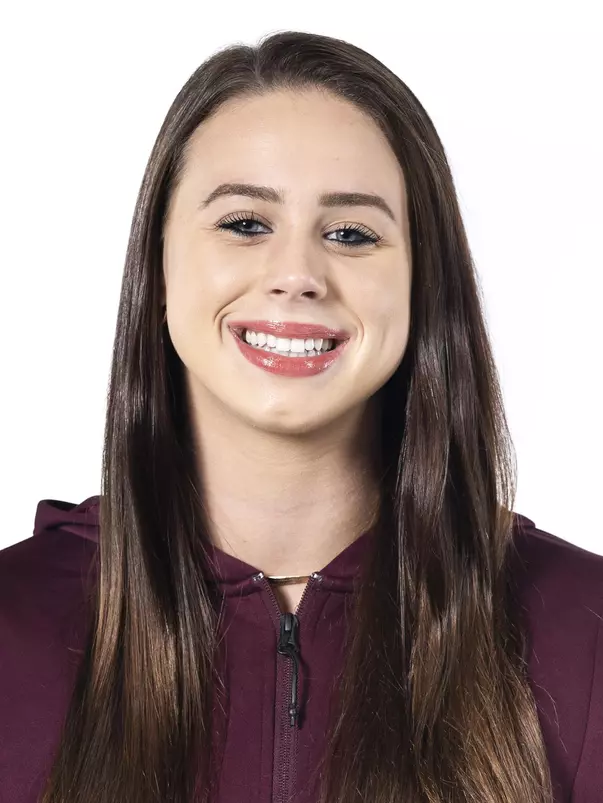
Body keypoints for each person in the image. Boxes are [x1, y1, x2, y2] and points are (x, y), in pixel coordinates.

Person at [0, 29, 601, 803]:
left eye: (350, 233)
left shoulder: (580, 630)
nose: (296, 274)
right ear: (155, 271)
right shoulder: (11, 628)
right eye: (245, 223)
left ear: (422, 288)